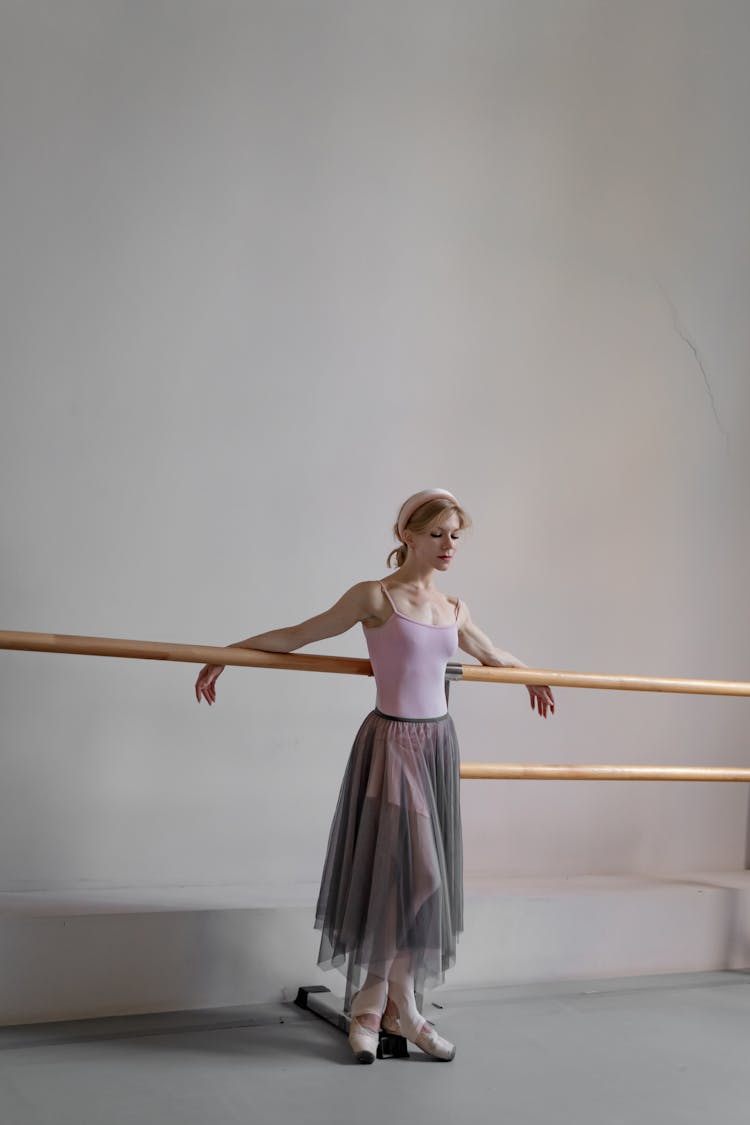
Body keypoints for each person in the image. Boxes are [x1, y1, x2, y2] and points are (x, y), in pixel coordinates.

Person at [194, 489, 554, 1064]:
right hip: (392, 743)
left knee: (411, 878)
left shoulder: (453, 608)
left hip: (437, 744)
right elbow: (298, 636)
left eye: (456, 535)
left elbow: (492, 653)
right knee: (417, 874)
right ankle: (386, 1006)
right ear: (406, 536)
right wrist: (229, 652)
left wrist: (531, 674)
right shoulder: (375, 596)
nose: (448, 545)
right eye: (437, 533)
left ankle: (388, 1004)